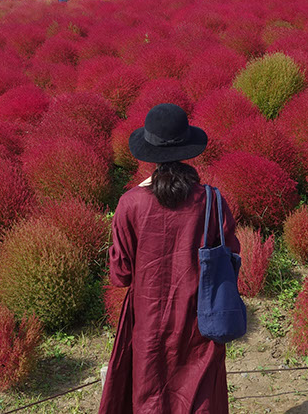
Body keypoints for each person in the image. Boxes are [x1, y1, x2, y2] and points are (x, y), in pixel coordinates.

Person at [99, 103, 241, 414]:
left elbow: (120, 275)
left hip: (148, 322)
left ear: (148, 150)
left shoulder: (130, 203)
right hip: (200, 321)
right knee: (198, 395)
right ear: (188, 146)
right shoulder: (212, 200)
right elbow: (231, 259)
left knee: (150, 394)